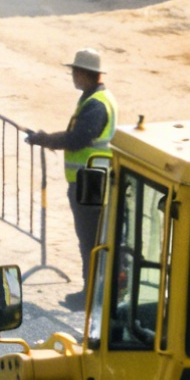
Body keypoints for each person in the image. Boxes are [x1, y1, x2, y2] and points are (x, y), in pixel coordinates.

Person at [23, 49, 116, 289]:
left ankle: (92, 292)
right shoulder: (93, 98)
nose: (73, 76)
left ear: (86, 73)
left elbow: (78, 139)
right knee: (90, 238)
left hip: (91, 181)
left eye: (75, 72)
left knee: (90, 239)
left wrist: (44, 139)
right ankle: (94, 290)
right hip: (89, 178)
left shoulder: (96, 104)